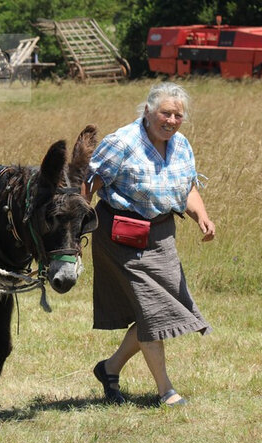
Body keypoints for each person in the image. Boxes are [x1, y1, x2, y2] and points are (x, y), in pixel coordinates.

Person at [83, 82, 215, 406]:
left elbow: (186, 188)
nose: (170, 120)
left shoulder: (181, 144)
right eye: (165, 113)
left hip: (162, 238)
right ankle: (166, 391)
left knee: (153, 314)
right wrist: (76, 226)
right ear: (148, 111)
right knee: (154, 314)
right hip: (120, 236)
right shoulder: (121, 143)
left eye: (177, 115)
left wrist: (202, 217)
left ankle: (109, 368)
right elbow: (87, 184)